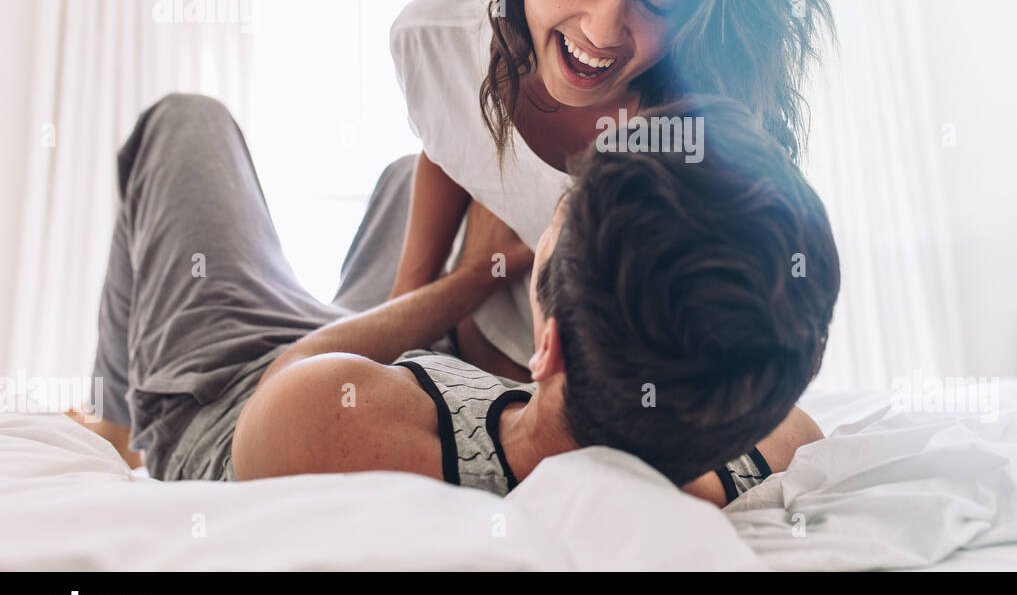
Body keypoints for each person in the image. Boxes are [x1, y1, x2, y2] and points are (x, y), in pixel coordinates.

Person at [77, 91, 838, 505]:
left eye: (558, 220)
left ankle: (115, 424)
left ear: (552, 347)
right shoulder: (754, 449)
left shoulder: (305, 421)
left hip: (247, 389)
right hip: (393, 379)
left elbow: (292, 382)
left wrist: (477, 280)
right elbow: (790, 421)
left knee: (184, 122)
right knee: (414, 173)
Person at [387, 0, 835, 391]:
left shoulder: (703, 145)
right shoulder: (435, 36)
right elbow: (449, 137)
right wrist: (406, 306)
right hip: (443, 294)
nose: (600, 31)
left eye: (658, 4)